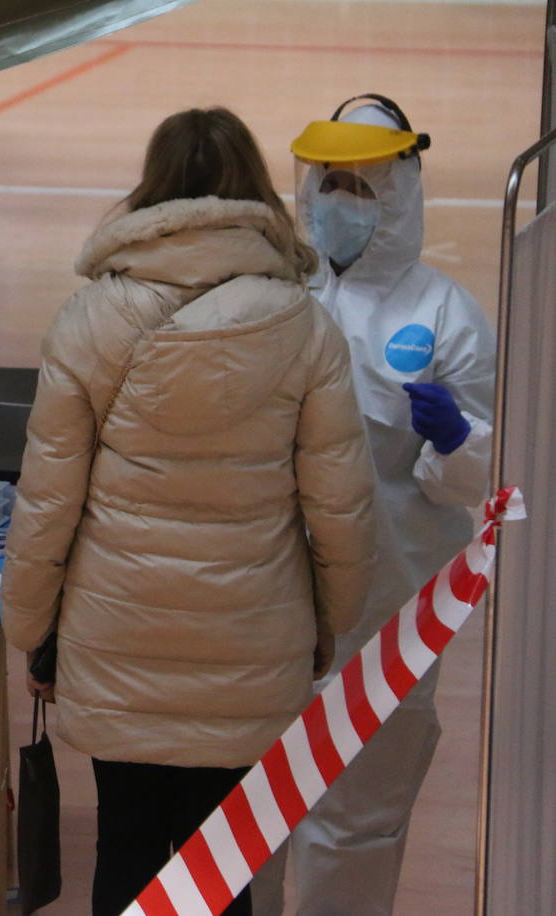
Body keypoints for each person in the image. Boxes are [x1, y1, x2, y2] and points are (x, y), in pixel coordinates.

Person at [0, 107, 376, 916]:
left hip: (116, 634)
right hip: (251, 633)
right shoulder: (303, 324)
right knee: (222, 864)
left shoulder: (89, 319)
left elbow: (47, 499)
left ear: (153, 188)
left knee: (126, 846)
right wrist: (330, 620)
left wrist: (31, 628)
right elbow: (340, 500)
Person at [251, 95, 496, 916]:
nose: (341, 203)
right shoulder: (273, 296)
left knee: (355, 816)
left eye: (363, 186)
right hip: (267, 600)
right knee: (255, 808)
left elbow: (491, 481)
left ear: (401, 191)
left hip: (390, 607)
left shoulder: (446, 315)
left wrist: (457, 440)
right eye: (330, 182)